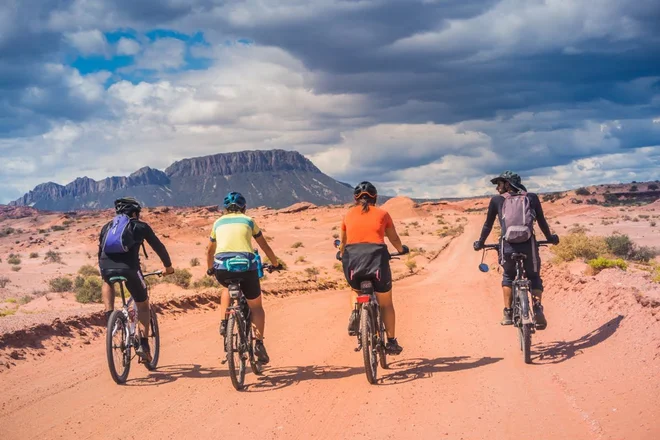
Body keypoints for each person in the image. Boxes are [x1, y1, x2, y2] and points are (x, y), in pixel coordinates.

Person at [473, 171, 559, 329]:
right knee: (534, 277)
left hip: (508, 247)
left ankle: (507, 312)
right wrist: (550, 237)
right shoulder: (531, 197)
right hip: (529, 246)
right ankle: (538, 308)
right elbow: (541, 221)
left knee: (508, 276)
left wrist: (480, 243)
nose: (497, 187)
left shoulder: (497, 200)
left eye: (499, 184)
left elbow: (488, 225)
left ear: (507, 184)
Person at [206, 191, 282, 365]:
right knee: (256, 306)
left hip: (223, 269)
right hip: (246, 268)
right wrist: (276, 263)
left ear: (226, 209)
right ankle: (259, 344)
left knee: (226, 288)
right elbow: (264, 246)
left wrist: (210, 268)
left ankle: (224, 323)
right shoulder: (249, 221)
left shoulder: (217, 223)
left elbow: (209, 250)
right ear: (244, 207)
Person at [98, 197, 174, 363]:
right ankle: (144, 345)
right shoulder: (140, 226)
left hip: (106, 267)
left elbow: (100, 253)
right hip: (130, 269)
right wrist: (168, 267)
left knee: (107, 281)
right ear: (134, 213)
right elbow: (158, 247)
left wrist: (105, 270)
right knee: (143, 304)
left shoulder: (106, 227)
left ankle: (110, 317)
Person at [338, 181, 409, 355]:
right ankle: (391, 341)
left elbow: (343, 242)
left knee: (355, 289)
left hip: (352, 260)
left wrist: (341, 254)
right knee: (385, 303)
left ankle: (356, 312)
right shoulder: (383, 214)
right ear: (375, 197)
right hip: (377, 259)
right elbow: (394, 238)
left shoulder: (347, 215)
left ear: (355, 199)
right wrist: (401, 250)